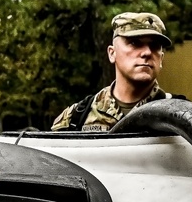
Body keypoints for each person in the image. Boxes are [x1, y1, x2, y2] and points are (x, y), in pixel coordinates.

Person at [52, 12, 180, 131]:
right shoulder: (76, 118)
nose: (147, 52)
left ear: (161, 58)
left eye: (154, 46)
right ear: (112, 54)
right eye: (135, 43)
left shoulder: (181, 117)